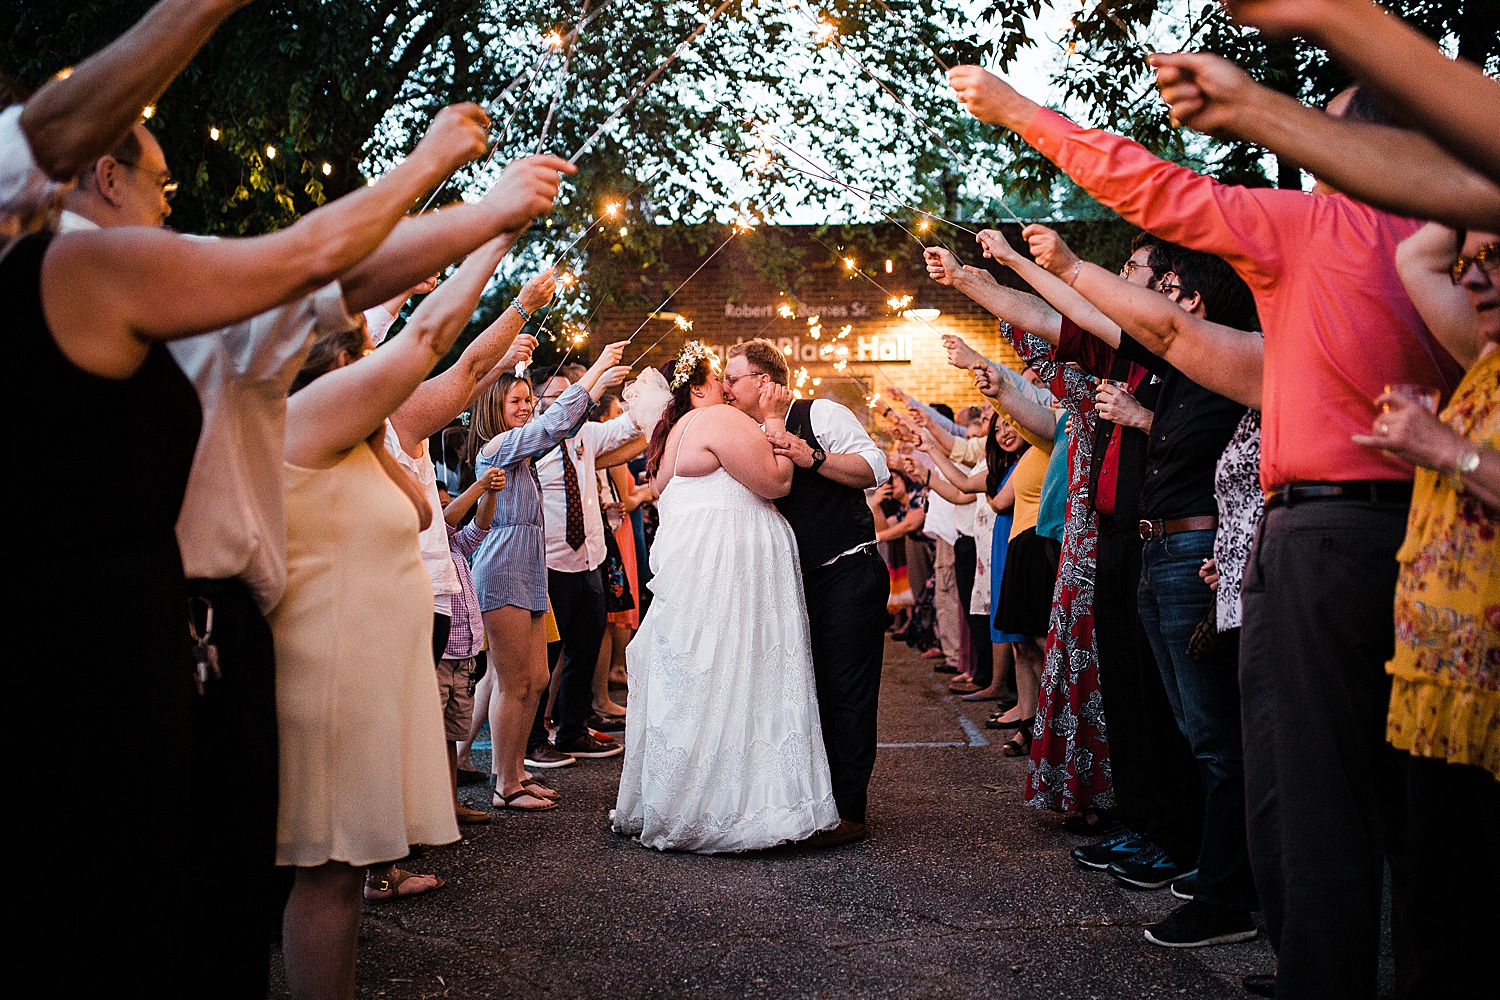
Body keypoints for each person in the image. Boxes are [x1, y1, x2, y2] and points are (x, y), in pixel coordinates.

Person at [949, 62, 1466, 995]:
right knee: (1436, 803)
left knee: (1309, 800)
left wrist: (1019, 112)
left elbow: (1160, 189)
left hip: (1329, 539)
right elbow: (1197, 346)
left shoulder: (1332, 223)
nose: (1311, 164)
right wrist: (1066, 272)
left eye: (1328, 139)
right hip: (1447, 536)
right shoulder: (1455, 242)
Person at [273, 227, 514, 996]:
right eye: (360, 357)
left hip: (366, 667)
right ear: (337, 360)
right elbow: (433, 340)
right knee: (325, 868)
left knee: (342, 873)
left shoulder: (358, 434)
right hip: (325, 667)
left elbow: (418, 513)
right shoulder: (306, 416)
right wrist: (493, 236)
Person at [612, 343, 839, 851]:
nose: (729, 388)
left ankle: (685, 797)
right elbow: (778, 482)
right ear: (698, 390)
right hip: (733, 566)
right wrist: (777, 420)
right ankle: (740, 806)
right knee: (744, 672)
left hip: (701, 567)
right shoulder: (715, 418)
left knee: (705, 675)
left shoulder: (670, 436)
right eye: (721, 379)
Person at [1352, 225, 1499, 995]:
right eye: (1470, 262)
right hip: (1440, 690)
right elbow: (1417, 255)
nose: (1474, 279)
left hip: (1492, 700)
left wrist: (1449, 451)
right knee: (1441, 917)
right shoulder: (1486, 363)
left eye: (1497, 257)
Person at [723, 337, 892, 846]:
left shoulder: (820, 413)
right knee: (801, 693)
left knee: (845, 691)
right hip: (785, 587)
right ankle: (809, 801)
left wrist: (812, 457)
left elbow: (875, 468)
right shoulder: (741, 432)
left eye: (734, 378)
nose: (726, 388)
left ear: (766, 382)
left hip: (845, 572)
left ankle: (849, 811)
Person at [467, 344, 630, 809]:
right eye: (513, 402)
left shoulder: (520, 453)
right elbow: (553, 425)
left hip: (530, 570)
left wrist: (596, 386)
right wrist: (596, 368)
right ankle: (504, 784)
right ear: (494, 411)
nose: (523, 408)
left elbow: (565, 426)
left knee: (537, 679)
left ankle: (517, 771)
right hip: (503, 570)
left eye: (526, 400)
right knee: (512, 682)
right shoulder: (499, 447)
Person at [436, 468, 506, 826]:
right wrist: (478, 486)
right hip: (439, 654)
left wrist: (489, 493)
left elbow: (478, 526)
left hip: (463, 653)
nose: (453, 510)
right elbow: (445, 523)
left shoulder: (455, 549)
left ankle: (450, 806)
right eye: (443, 505)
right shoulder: (430, 548)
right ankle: (432, 814)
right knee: (432, 735)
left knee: (450, 735)